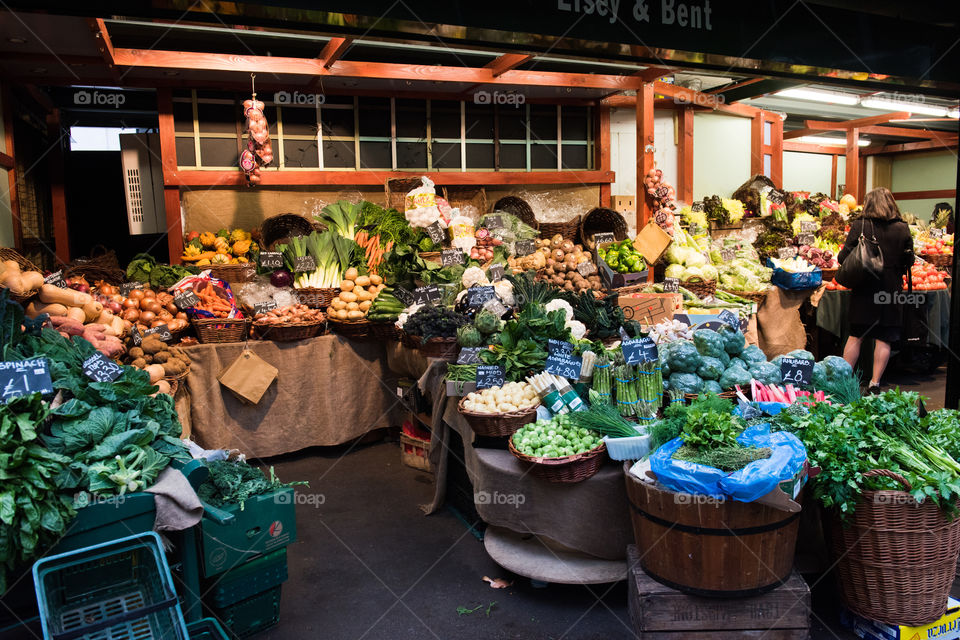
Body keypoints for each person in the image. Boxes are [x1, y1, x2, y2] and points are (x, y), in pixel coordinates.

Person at [837, 187, 914, 393]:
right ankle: (875, 383)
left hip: (864, 287)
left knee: (856, 335)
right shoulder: (902, 228)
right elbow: (910, 261)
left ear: (869, 203)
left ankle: (844, 382)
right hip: (890, 289)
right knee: (884, 337)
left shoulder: (860, 225)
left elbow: (843, 258)